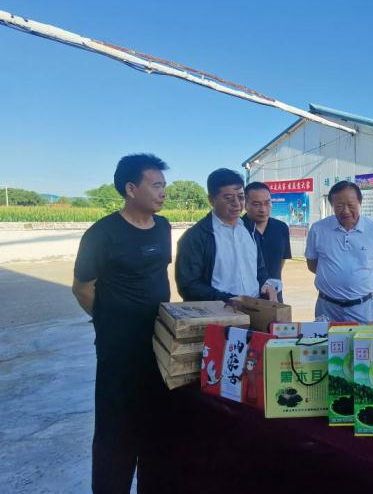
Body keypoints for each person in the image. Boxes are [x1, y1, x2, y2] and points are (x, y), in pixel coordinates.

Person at [72, 153, 172, 493]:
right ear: (131, 189)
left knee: (155, 423)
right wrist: (111, 321)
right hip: (119, 349)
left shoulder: (163, 227)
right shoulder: (102, 233)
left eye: (164, 185)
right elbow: (83, 288)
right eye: (155, 185)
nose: (163, 192)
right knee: (116, 428)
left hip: (159, 342)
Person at [175, 169, 277, 302]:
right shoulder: (196, 236)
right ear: (211, 200)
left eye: (241, 197)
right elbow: (188, 285)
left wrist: (267, 284)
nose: (237, 204)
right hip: (217, 311)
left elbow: (259, 269)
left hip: (255, 307)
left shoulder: (250, 229)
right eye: (229, 198)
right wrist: (229, 300)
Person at [305, 180, 373, 322]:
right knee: (324, 337)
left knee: (363, 337)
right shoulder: (318, 229)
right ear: (332, 206)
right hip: (327, 307)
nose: (346, 211)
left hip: (362, 308)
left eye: (351, 205)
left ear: (360, 202)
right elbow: (312, 264)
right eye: (339, 206)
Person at [242, 181, 292, 302]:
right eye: (256, 204)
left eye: (267, 203)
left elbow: (281, 261)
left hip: (274, 297)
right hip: (245, 298)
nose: (263, 209)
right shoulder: (237, 230)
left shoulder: (281, 228)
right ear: (245, 204)